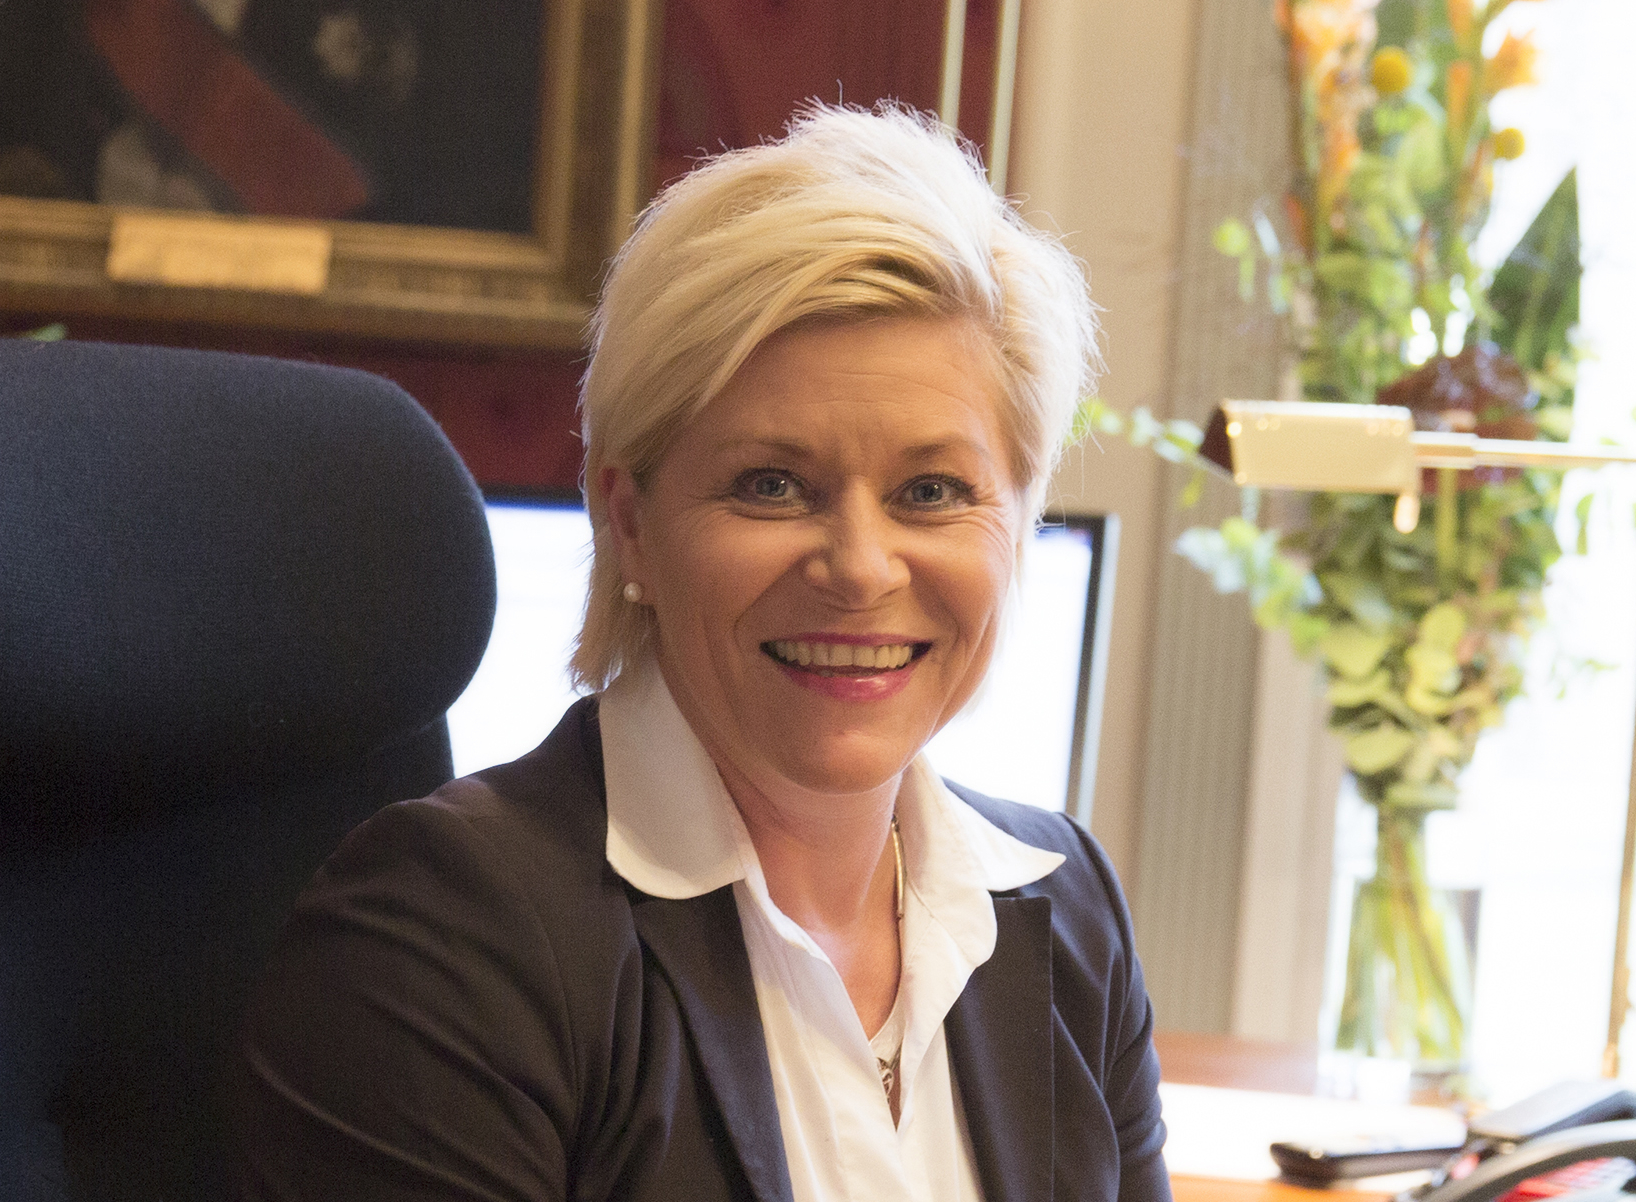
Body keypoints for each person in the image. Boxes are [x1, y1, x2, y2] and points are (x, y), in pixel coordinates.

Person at [235, 104, 1170, 1202]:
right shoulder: (441, 939)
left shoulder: (1067, 913)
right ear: (630, 522)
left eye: (932, 490)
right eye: (772, 485)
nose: (860, 568)